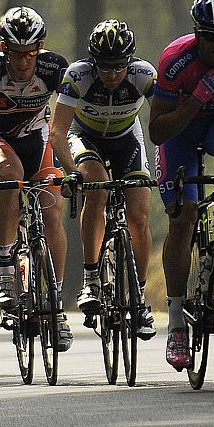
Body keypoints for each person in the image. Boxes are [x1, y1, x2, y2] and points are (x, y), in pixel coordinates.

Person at [0, 6, 74, 350]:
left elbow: (72, 116)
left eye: (31, 53)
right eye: (16, 54)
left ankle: (55, 308)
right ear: (4, 48)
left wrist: (75, 166)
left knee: (52, 207)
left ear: (40, 49)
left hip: (36, 138)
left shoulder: (55, 68)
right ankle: (5, 268)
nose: (24, 62)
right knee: (10, 176)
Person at [151, 0, 214, 372]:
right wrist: (193, 102)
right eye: (210, 37)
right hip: (180, 133)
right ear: (196, 34)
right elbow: (156, 131)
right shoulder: (176, 61)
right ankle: (175, 324)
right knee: (184, 217)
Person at [51, 19, 157, 339]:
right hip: (85, 137)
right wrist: (70, 171)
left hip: (127, 138)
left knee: (139, 216)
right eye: (104, 67)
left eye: (118, 67)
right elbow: (57, 132)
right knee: (95, 189)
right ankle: (91, 280)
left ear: (131, 61)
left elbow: (166, 112)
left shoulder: (143, 74)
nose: (111, 75)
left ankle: (138, 299)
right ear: (92, 62)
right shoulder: (78, 76)